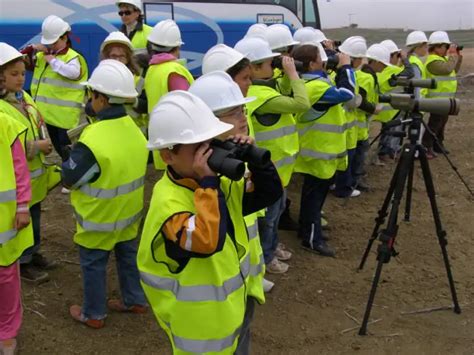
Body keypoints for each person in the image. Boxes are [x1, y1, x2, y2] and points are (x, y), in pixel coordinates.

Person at [138, 90, 282, 354]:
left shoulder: (219, 183)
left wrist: (254, 160)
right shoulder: (168, 202)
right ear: (167, 155)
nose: (208, 153)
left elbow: (268, 195)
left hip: (229, 307)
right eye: (198, 148)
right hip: (197, 325)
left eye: (211, 143)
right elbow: (207, 240)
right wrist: (208, 185)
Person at [62, 60, 148, 329]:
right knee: (128, 258)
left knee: (94, 264)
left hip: (98, 220)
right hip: (129, 214)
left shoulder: (92, 136)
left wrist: (68, 160)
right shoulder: (135, 130)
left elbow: (71, 178)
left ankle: (94, 313)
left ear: (100, 98)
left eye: (91, 95)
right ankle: (135, 299)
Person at [235, 36, 311, 274]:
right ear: (255, 67)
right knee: (269, 218)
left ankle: (269, 248)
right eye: (270, 62)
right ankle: (266, 258)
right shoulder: (261, 96)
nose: (274, 65)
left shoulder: (264, 89)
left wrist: (285, 76)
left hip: (278, 168)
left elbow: (284, 93)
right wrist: (293, 74)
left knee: (274, 215)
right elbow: (301, 103)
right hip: (272, 168)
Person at [0, 43, 58, 283]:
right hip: (17, 181)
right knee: (20, 223)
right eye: (14, 74)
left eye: (22, 73)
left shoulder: (22, 97)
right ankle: (22, 262)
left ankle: (32, 253)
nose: (20, 79)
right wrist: (35, 148)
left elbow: (35, 123)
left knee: (34, 217)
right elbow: (9, 145)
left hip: (33, 177)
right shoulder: (2, 108)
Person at [291, 43, 355, 257]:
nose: (325, 60)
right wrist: (346, 67)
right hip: (318, 153)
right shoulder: (315, 87)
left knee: (313, 197)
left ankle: (307, 230)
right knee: (314, 199)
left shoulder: (312, 82)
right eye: (321, 57)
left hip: (319, 151)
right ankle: (311, 239)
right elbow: (347, 94)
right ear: (311, 64)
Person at [23, 15, 88, 168]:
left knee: (67, 147)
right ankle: (67, 169)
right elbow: (20, 59)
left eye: (54, 42)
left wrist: (53, 61)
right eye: (48, 42)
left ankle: (73, 173)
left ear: (65, 37)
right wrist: (32, 48)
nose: (51, 45)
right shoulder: (42, 55)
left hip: (65, 116)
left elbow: (73, 73)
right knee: (58, 147)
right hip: (48, 114)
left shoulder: (72, 57)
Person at [0, 104, 34, 354]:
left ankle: (7, 332)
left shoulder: (5, 124)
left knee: (6, 277)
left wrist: (22, 206)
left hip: (4, 222)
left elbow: (20, 168)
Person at [144, 19, 194, 170]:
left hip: (161, 137)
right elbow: (187, 106)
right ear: (177, 47)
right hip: (180, 140)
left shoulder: (152, 70)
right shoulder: (174, 70)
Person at [332, 36, 368, 198]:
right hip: (344, 124)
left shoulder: (338, 73)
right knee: (345, 159)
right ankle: (343, 188)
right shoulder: (346, 74)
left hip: (343, 123)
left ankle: (339, 185)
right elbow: (351, 99)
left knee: (343, 158)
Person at [351, 44, 391, 189]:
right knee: (358, 155)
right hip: (357, 124)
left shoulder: (368, 76)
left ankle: (355, 181)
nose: (385, 68)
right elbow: (359, 100)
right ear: (376, 62)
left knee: (359, 154)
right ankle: (354, 182)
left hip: (360, 124)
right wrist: (374, 109)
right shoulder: (365, 77)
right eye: (383, 64)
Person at [422, 31, 462, 158]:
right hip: (437, 99)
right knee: (435, 123)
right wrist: (452, 56)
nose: (447, 49)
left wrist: (458, 57)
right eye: (446, 47)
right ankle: (426, 146)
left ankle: (438, 145)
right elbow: (447, 69)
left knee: (442, 123)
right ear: (438, 47)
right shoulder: (432, 61)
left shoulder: (441, 59)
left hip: (445, 98)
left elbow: (453, 70)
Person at [99, 31, 148, 134]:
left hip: (134, 132)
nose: (117, 60)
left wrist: (134, 101)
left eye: (121, 56)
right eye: (113, 56)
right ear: (106, 57)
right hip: (108, 132)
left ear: (128, 58)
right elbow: (89, 109)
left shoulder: (138, 79)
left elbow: (146, 106)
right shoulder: (99, 77)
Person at [375, 39, 414, 164]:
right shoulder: (393, 71)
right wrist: (405, 59)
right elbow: (410, 72)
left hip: (382, 109)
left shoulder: (379, 71)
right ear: (390, 56)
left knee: (385, 133)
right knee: (389, 133)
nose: (398, 59)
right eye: (397, 55)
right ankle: (385, 154)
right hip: (391, 109)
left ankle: (383, 153)